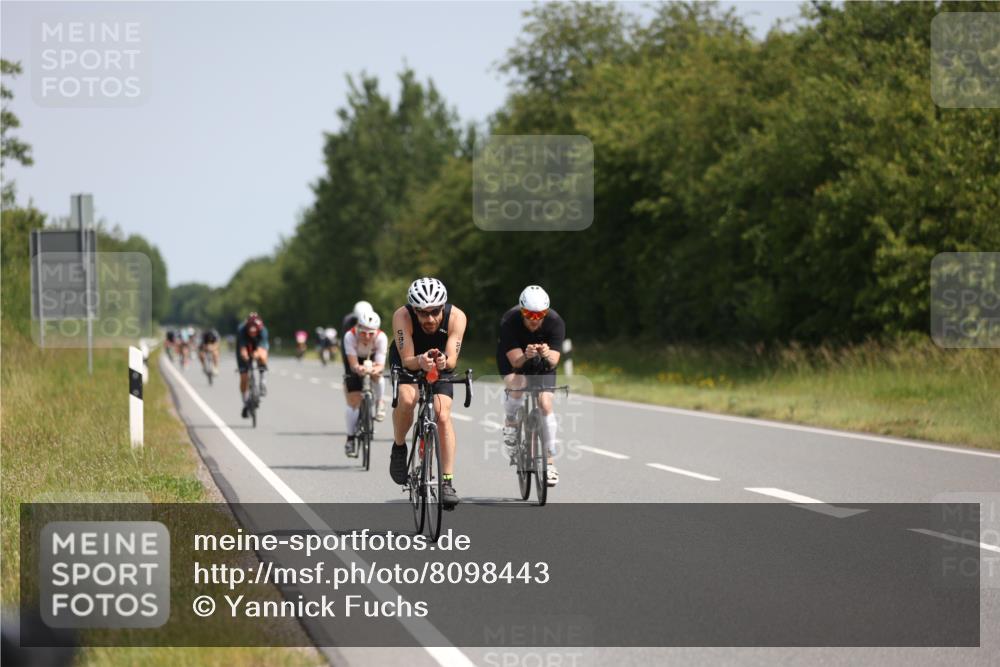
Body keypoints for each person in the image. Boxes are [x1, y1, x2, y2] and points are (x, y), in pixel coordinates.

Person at [387, 277, 467, 509]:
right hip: (410, 358)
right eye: (422, 313)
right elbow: (408, 360)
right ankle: (399, 446)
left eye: (435, 312)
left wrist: (442, 362)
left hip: (439, 363)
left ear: (443, 307)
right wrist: (420, 360)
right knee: (408, 398)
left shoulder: (457, 317)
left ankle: (447, 482)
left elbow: (452, 359)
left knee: (442, 414)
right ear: (414, 309)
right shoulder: (402, 316)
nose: (430, 319)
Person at [497, 285, 565, 487]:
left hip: (542, 364)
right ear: (521, 311)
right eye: (528, 314)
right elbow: (516, 362)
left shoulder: (555, 322)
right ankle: (510, 422)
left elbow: (554, 361)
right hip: (515, 358)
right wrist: (526, 355)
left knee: (545, 403)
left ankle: (550, 462)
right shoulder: (509, 321)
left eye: (539, 315)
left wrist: (545, 354)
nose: (534, 319)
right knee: (518, 386)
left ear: (546, 312)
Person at [342, 309, 388, 455]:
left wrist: (375, 370)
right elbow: (353, 363)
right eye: (363, 332)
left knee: (378, 376)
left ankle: (379, 403)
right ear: (357, 328)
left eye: (371, 333)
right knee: (353, 402)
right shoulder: (349, 336)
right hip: (355, 360)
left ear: (376, 331)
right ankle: (350, 438)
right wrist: (357, 368)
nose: (367, 337)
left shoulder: (381, 338)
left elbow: (380, 364)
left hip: (372, 359)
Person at [236, 312, 270, 418]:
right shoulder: (241, 330)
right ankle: (245, 401)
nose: (253, 333)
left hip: (257, 347)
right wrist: (245, 356)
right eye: (251, 331)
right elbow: (242, 350)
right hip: (244, 347)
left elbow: (261, 349)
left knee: (262, 356)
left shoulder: (263, 330)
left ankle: (262, 380)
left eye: (255, 331)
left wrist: (256, 354)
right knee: (244, 377)